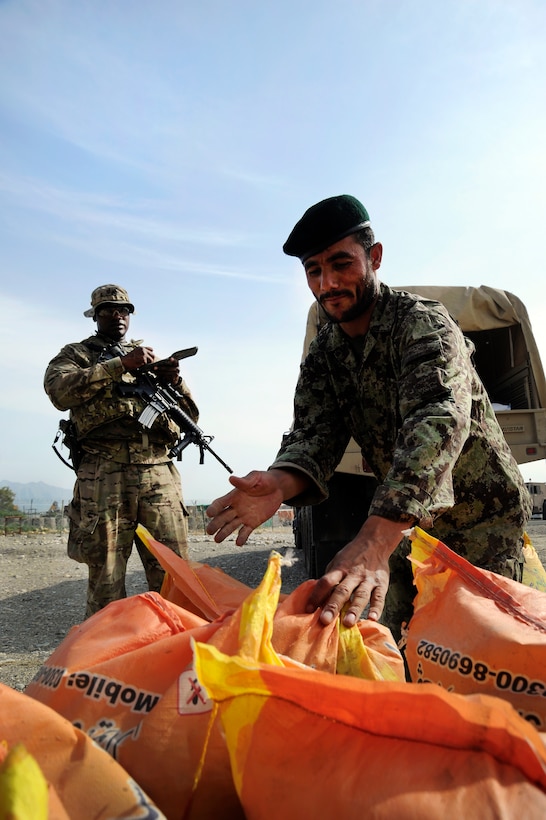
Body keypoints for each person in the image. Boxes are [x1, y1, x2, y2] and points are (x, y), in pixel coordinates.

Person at [205, 195, 532, 641]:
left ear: (374, 257)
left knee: (477, 653)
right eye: (314, 271)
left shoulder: (423, 324)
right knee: (378, 634)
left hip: (480, 519)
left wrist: (374, 541)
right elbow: (315, 432)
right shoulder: (326, 351)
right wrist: (280, 482)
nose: (328, 283)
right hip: (408, 525)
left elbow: (436, 418)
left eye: (342, 264)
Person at [44, 284, 199, 618]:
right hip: (104, 470)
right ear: (96, 316)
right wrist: (119, 365)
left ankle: (179, 647)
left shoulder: (150, 359)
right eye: (109, 310)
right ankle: (107, 654)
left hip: (157, 470)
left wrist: (174, 381)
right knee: (107, 575)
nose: (118, 316)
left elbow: (190, 415)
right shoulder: (77, 355)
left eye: (123, 310)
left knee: (174, 569)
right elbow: (58, 391)